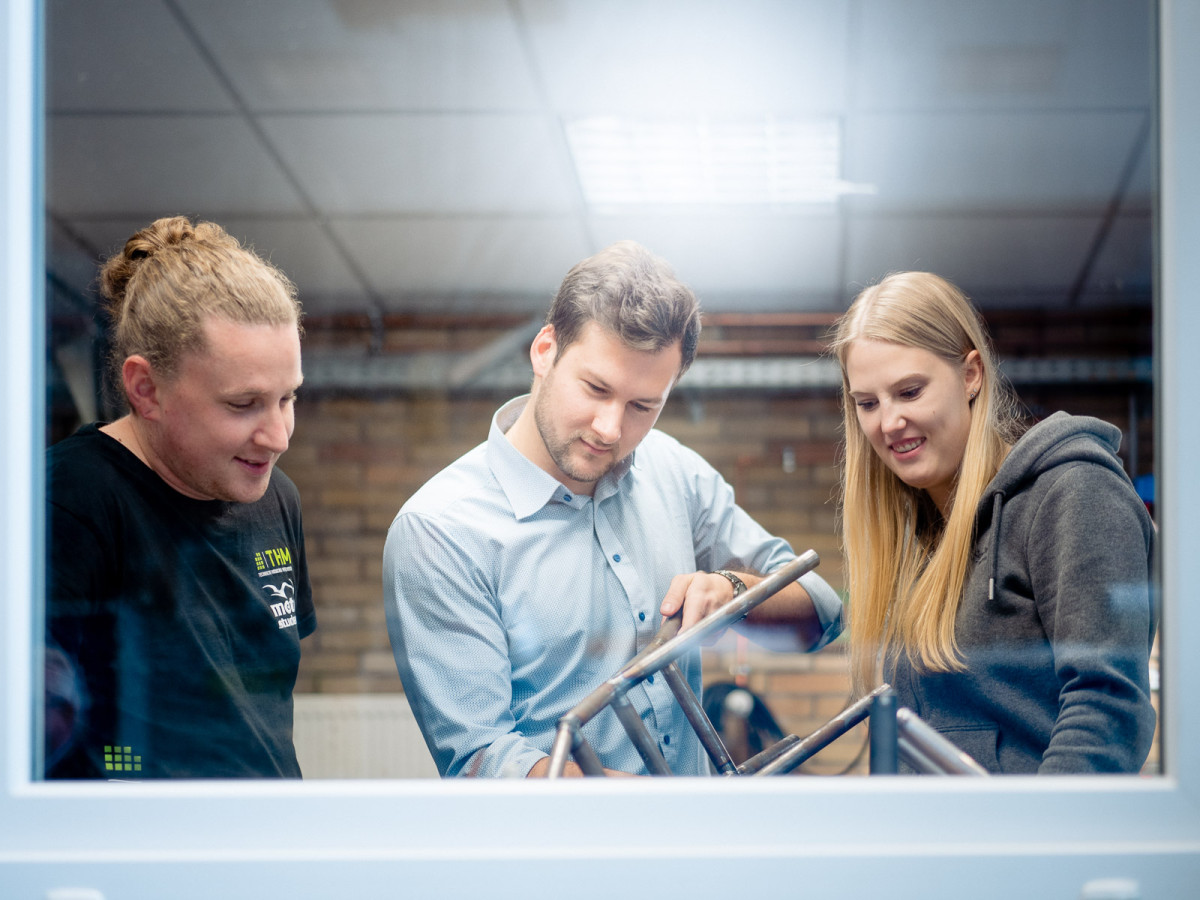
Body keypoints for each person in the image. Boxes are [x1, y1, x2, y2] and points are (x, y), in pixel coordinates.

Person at [384, 241, 844, 778]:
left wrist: (734, 591)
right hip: (562, 857)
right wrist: (660, 812)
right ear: (544, 350)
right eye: (595, 388)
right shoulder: (440, 530)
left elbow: (822, 611)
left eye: (642, 406)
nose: (610, 428)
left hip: (690, 847)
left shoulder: (674, 470)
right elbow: (481, 759)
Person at [830, 271, 1156, 774]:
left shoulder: (1071, 492)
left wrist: (1032, 848)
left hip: (1019, 847)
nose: (887, 423)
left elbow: (1107, 705)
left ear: (971, 375)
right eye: (867, 403)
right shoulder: (923, 534)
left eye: (910, 391)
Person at [45, 216, 316, 779]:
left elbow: (256, 714)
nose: (279, 437)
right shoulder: (68, 503)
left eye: (287, 398)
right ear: (146, 389)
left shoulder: (275, 499)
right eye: (244, 405)